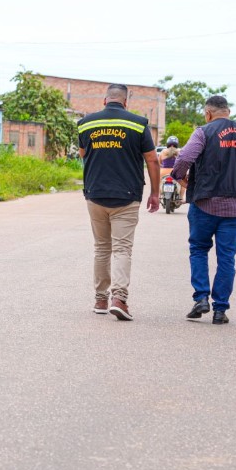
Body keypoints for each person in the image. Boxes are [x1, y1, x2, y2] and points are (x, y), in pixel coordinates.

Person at [171, 95, 236, 325]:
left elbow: (184, 157)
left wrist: (179, 177)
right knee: (227, 259)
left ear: (208, 113)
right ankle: (220, 310)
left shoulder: (204, 131)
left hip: (204, 203)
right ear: (228, 112)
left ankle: (201, 297)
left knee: (199, 249)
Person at [77, 84, 160, 321]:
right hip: (127, 195)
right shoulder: (137, 123)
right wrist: (155, 193)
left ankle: (101, 299)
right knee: (122, 248)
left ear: (105, 101)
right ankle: (119, 299)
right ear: (126, 102)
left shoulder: (87, 123)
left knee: (102, 248)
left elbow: (83, 154)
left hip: (95, 193)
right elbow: (152, 160)